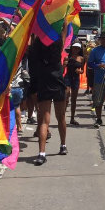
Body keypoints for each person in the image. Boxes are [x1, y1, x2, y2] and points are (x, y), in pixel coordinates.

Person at [30, 34, 68, 163]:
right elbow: (64, 33)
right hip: (58, 82)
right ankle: (63, 146)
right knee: (61, 117)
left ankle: (41, 153)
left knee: (44, 121)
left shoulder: (36, 50)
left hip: (44, 83)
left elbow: (33, 38)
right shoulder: (58, 47)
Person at [64, 42, 84, 126]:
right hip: (68, 77)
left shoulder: (81, 58)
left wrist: (80, 71)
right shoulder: (67, 57)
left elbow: (82, 70)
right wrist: (64, 65)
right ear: (72, 48)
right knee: (66, 97)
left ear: (80, 49)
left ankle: (72, 118)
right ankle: (62, 118)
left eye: (78, 48)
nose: (76, 49)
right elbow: (62, 68)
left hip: (75, 79)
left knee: (74, 100)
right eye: (75, 47)